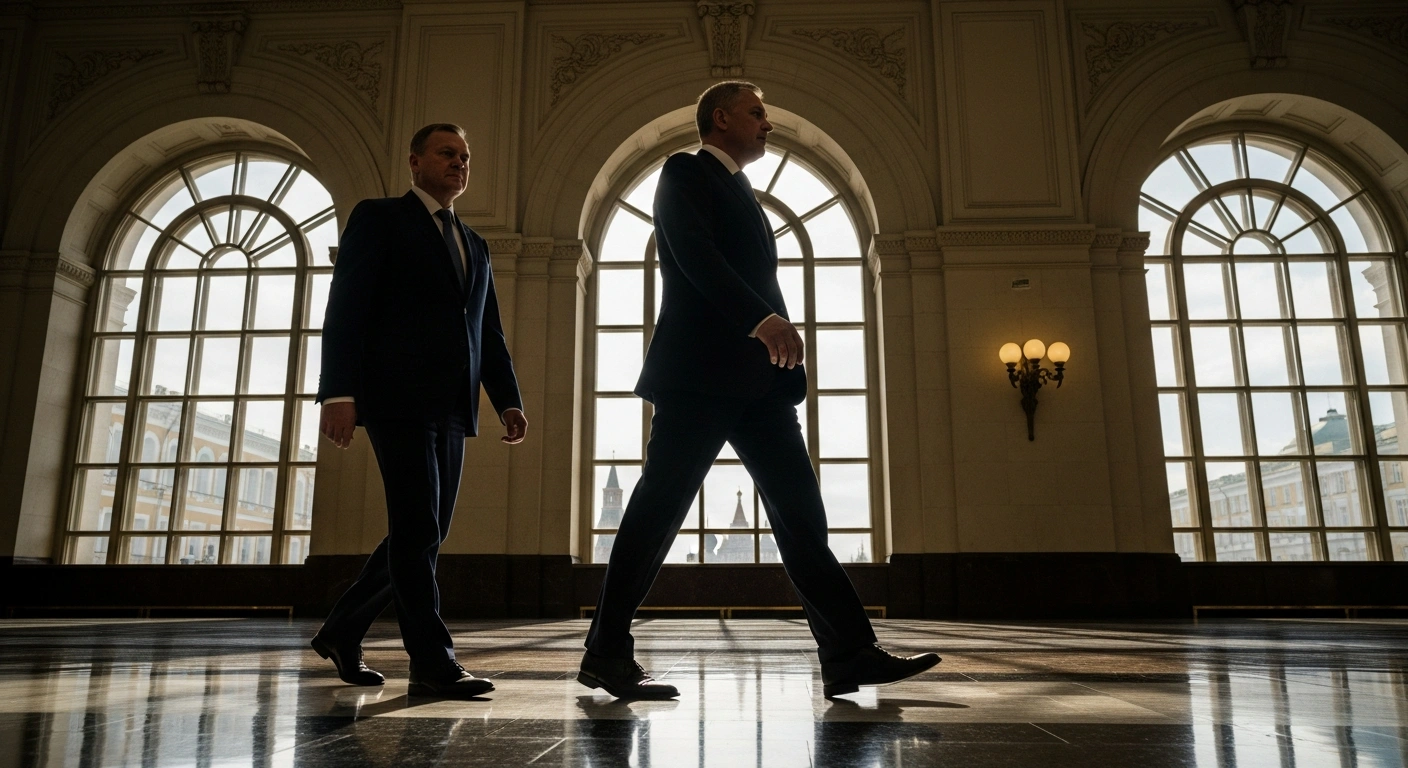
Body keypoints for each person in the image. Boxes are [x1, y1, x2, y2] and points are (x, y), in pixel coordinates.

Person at [580, 82, 939, 699]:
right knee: (658, 513)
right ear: (721, 119)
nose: (767, 124)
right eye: (757, 113)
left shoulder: (739, 189)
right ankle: (605, 652)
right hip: (700, 379)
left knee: (803, 518)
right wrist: (763, 318)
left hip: (759, 386)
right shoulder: (684, 172)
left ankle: (850, 655)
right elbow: (696, 257)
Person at [311, 123, 528, 699]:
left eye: (465, 155)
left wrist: (507, 399)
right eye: (446, 153)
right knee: (418, 527)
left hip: (453, 406)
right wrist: (338, 393)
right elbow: (347, 305)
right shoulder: (379, 218)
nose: (459, 163)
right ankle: (432, 660)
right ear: (415, 162)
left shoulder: (474, 243)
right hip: (394, 398)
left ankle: (341, 629)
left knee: (424, 531)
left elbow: (488, 331)